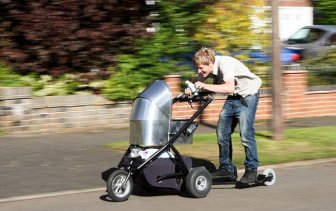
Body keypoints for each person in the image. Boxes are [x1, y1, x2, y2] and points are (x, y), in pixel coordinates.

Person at [186, 47, 262, 184]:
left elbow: (229, 88)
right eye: (197, 68)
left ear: (210, 63)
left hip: (248, 96)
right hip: (233, 98)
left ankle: (252, 170)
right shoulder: (209, 67)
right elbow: (199, 82)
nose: (199, 71)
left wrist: (204, 85)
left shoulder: (225, 64)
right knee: (222, 131)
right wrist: (191, 88)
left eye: (201, 68)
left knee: (246, 133)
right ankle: (226, 168)